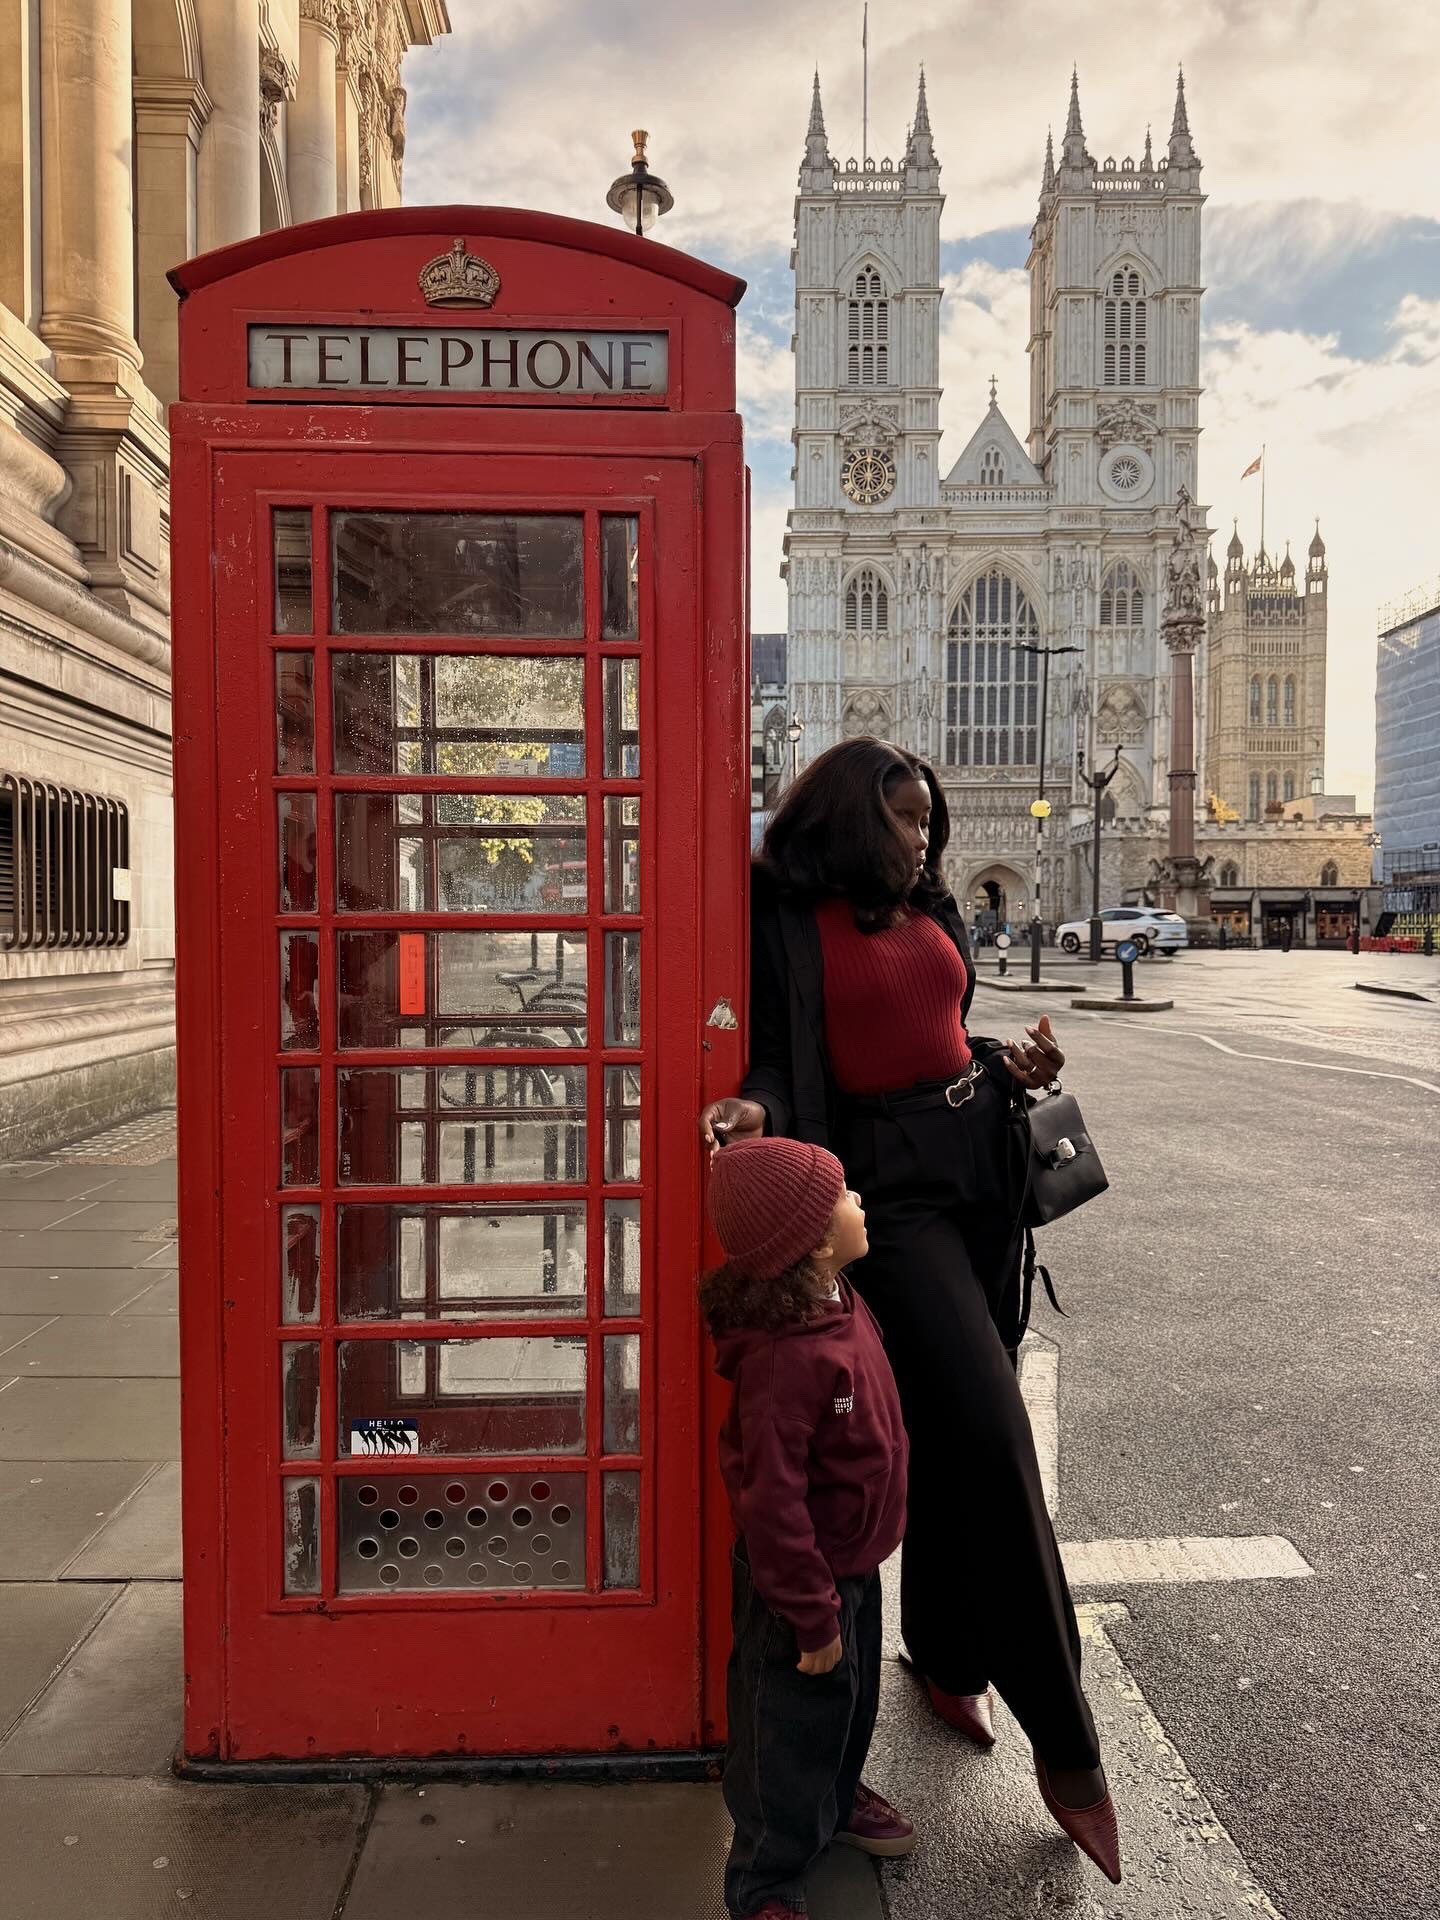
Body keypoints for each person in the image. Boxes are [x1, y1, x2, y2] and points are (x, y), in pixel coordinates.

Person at [699, 736, 1121, 1885]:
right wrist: (751, 1108)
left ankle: (945, 1656)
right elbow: (791, 1059)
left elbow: (932, 1020)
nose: (923, 837)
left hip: (983, 1166)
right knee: (992, 1437)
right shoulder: (783, 907)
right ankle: (1071, 1747)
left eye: (929, 818)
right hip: (888, 1194)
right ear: (848, 818)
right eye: (903, 818)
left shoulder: (922, 894)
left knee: (941, 1439)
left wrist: (1003, 1063)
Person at [704, 1135, 914, 1920]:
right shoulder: (782, 1363)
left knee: (850, 1706)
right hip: (799, 1586)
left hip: (852, 1566)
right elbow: (772, 1503)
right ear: (820, 1242)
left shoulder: (838, 1298)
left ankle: (835, 1801)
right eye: (848, 1196)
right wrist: (809, 1609)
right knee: (783, 1734)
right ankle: (766, 1879)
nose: (862, 1201)